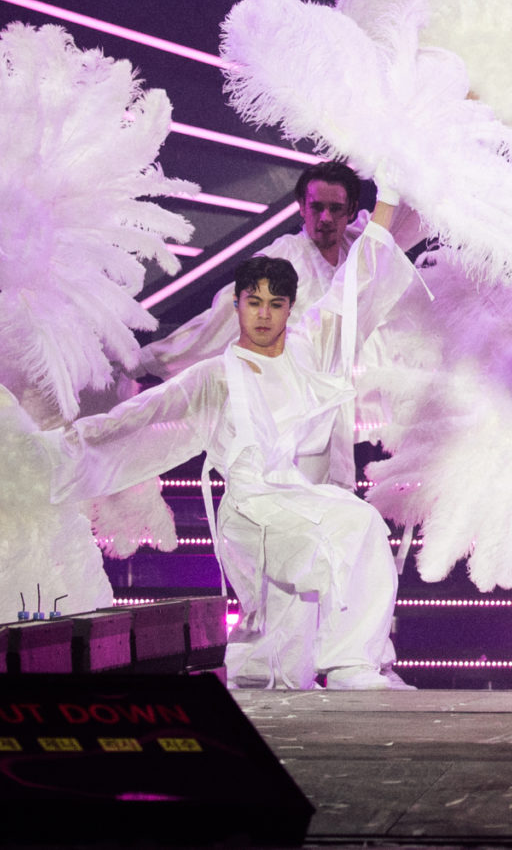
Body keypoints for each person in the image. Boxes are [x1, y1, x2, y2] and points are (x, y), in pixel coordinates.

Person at [53, 227, 417, 689]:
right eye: (253, 302)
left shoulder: (302, 356)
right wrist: (60, 446)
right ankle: (347, 664)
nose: (264, 314)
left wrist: (385, 204)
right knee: (347, 531)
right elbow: (138, 418)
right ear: (237, 305)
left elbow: (352, 288)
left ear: (289, 307)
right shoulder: (216, 376)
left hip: (295, 498)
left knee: (308, 604)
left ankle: (338, 667)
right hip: (249, 510)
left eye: (275, 303)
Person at [143, 161, 401, 383]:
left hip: (354, 392)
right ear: (302, 207)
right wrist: (149, 360)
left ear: (351, 210)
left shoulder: (356, 243)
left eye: (335, 209)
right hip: (293, 393)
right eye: (316, 207)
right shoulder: (280, 258)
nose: (325, 218)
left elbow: (396, 220)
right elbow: (220, 318)